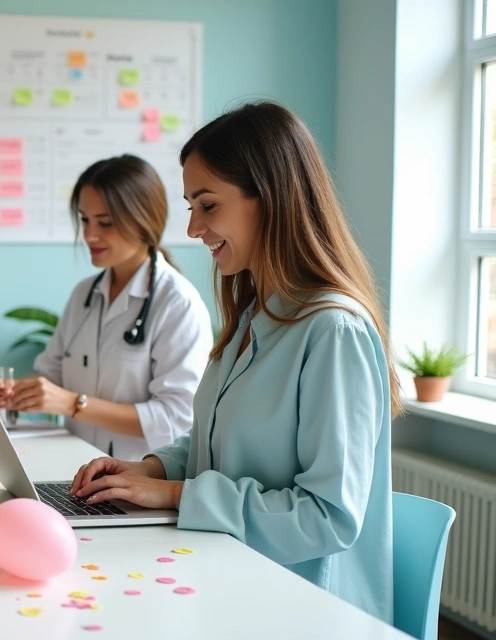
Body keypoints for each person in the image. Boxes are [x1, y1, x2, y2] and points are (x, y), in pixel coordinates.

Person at [70, 101, 400, 622]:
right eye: (190, 207)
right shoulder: (254, 315)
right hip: (226, 573)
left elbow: (326, 517)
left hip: (302, 606)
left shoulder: (333, 330)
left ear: (271, 198)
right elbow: (215, 442)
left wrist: (175, 493)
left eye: (207, 205)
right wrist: (147, 470)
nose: (193, 229)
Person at [0, 154, 212, 460]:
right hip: (74, 469)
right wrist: (15, 391)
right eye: (85, 220)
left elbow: (174, 417)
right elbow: (52, 374)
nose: (89, 235)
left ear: (144, 221)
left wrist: (73, 404)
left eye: (105, 223)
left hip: (134, 476)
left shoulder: (177, 304)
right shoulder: (84, 295)